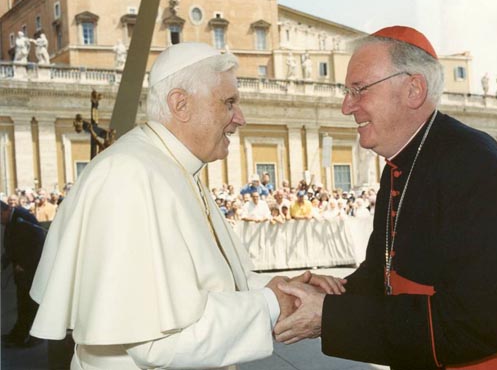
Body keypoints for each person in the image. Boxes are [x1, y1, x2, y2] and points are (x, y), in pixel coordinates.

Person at [274, 26, 497, 369]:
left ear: (413, 89)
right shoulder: (399, 165)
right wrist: (330, 292)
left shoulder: (476, 167)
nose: (347, 106)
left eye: (358, 90)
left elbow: (475, 325)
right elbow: (383, 272)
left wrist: (330, 318)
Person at [29, 42, 345, 369]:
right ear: (180, 104)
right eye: (229, 103)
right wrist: (269, 304)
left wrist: (280, 288)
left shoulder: (175, 167)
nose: (241, 118)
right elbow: (157, 344)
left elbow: (206, 282)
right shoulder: (129, 176)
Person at [1, 201, 46, 348]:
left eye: (0, 216)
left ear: (7, 210)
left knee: (29, 305)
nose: (0, 221)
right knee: (23, 305)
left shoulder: (23, 218)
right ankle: (18, 334)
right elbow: (11, 246)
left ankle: (32, 336)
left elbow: (39, 243)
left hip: (30, 270)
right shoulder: (12, 219)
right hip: (21, 271)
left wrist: (24, 264)